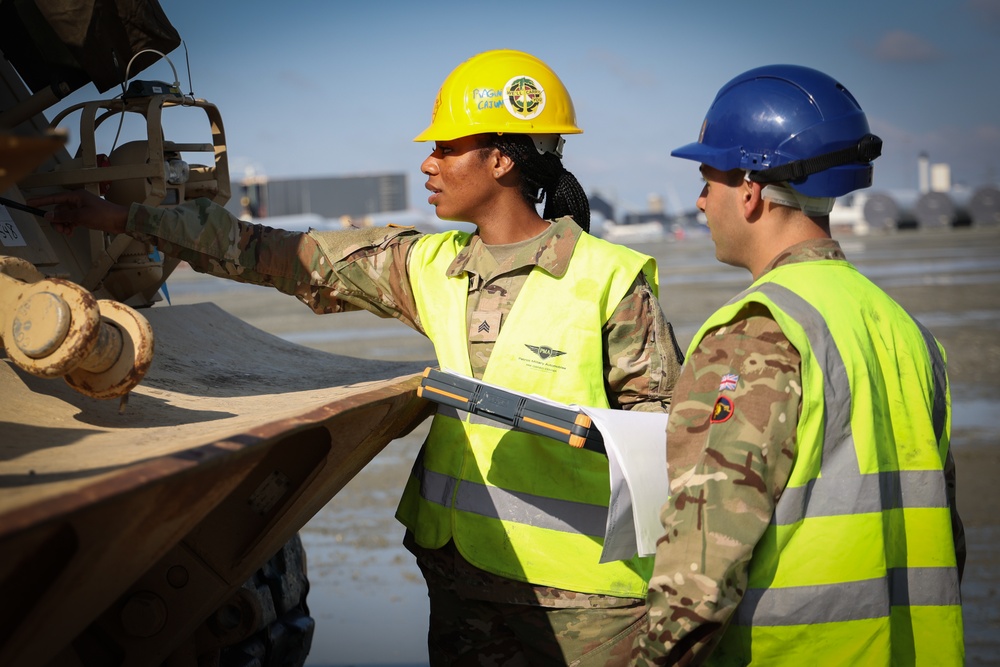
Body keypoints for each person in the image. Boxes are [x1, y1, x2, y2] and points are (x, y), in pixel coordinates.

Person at [33, 49, 684, 665]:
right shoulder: (429, 265)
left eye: (446, 147)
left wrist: (686, 602)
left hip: (585, 605)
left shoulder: (609, 279)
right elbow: (278, 253)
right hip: (463, 581)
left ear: (501, 160)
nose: (428, 163)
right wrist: (121, 219)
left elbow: (672, 450)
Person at [631, 65, 965, 666]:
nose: (701, 200)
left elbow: (704, 559)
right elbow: (948, 534)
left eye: (708, 179)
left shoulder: (759, 329)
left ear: (751, 190)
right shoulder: (905, 330)